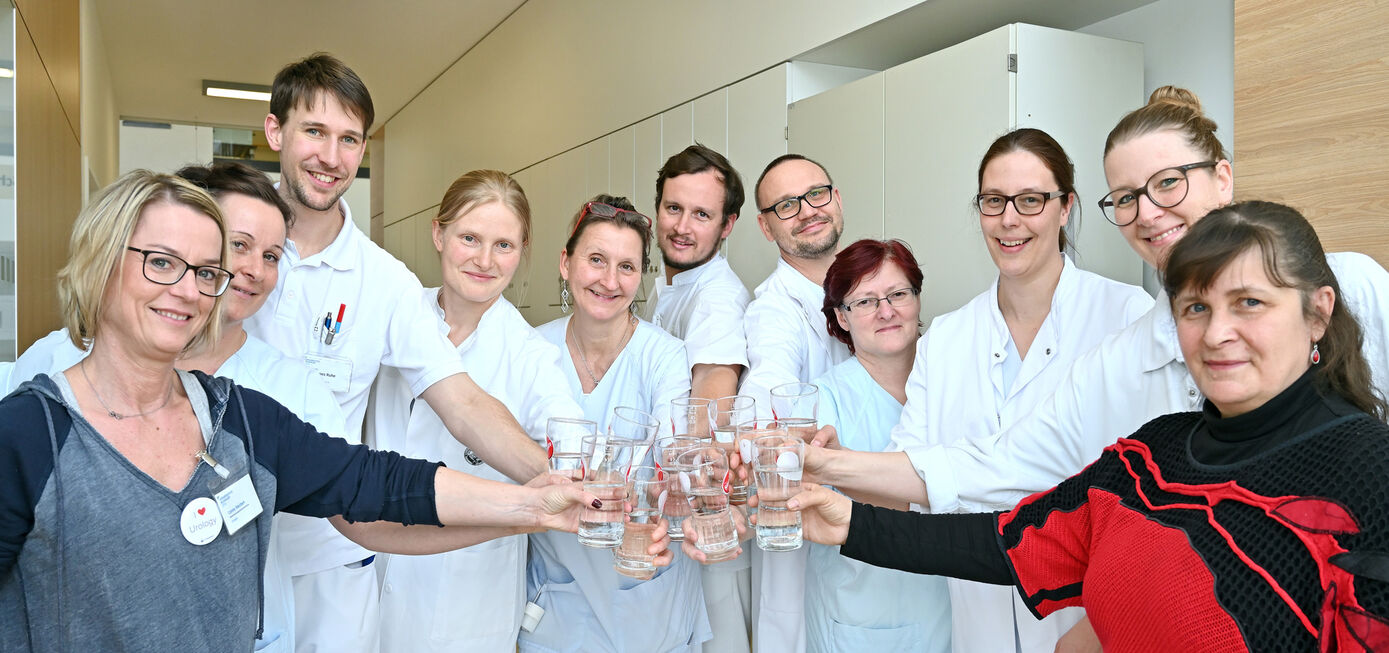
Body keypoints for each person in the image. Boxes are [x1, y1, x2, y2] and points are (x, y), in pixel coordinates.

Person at [802, 86, 1389, 647]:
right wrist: (835, 493)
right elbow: (1012, 522)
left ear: (1317, 313)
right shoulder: (1149, 444)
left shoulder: (1363, 448)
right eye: (1196, 310)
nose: (1218, 335)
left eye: (1251, 304)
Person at [0, 170, 603, 651]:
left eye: (206, 271)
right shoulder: (29, 435)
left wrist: (535, 505)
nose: (188, 288)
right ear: (102, 263)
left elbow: (373, 485)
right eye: (161, 262)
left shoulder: (241, 420)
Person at [247, 53, 551, 651]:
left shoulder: (385, 282)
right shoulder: (222, 247)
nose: (330, 157)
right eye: (314, 131)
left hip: (328, 555)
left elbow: (460, 399)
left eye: (349, 139)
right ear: (275, 131)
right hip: (220, 537)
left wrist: (560, 483)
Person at [0, 160, 354, 652]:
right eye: (239, 246)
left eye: (272, 255)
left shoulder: (282, 392)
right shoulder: (48, 374)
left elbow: (358, 497)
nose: (252, 269)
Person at [900, 129, 1152, 653]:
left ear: (1066, 208)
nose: (1009, 220)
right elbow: (908, 470)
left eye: (1031, 200)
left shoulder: (1128, 318)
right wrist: (824, 465)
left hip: (1089, 625)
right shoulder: (946, 338)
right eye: (994, 202)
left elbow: (1151, 500)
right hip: (977, 619)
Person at [367, 170, 587, 652]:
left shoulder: (529, 354)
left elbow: (570, 440)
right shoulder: (393, 318)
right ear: (438, 234)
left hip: (467, 602)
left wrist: (581, 479)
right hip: (367, 578)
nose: (485, 260)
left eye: (504, 245)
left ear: (523, 250)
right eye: (470, 238)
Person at [524, 195, 709, 652]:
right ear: (566, 263)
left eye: (627, 267)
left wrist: (683, 487)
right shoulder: (532, 350)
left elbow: (671, 453)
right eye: (596, 260)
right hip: (554, 597)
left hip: (644, 585)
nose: (610, 280)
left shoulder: (663, 355)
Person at [802, 239, 952, 652]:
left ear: (918, 299)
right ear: (841, 318)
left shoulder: (953, 379)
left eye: (898, 294)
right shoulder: (823, 398)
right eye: (865, 301)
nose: (886, 311)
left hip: (953, 599)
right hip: (860, 608)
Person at [739, 154, 852, 653]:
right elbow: (769, 382)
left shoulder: (868, 290)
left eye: (816, 194)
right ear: (765, 227)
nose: (808, 210)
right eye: (787, 205)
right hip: (804, 524)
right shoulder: (773, 311)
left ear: (837, 199)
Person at [645, 143, 754, 653]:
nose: (683, 226)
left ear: (728, 225)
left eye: (703, 214)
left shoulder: (715, 297)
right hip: (677, 511)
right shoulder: (667, 285)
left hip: (700, 511)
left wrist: (674, 485)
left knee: (716, 638)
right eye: (674, 208)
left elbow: (711, 408)